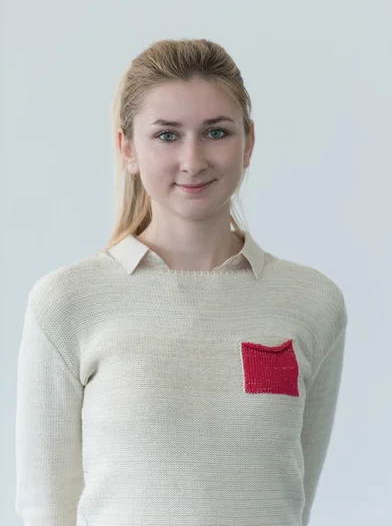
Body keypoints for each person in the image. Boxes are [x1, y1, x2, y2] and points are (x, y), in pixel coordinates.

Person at [15, 38, 348, 526]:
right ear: (127, 147)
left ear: (248, 143)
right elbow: (45, 510)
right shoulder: (67, 302)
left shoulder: (312, 302)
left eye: (216, 132)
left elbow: (294, 500)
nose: (192, 160)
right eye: (167, 136)